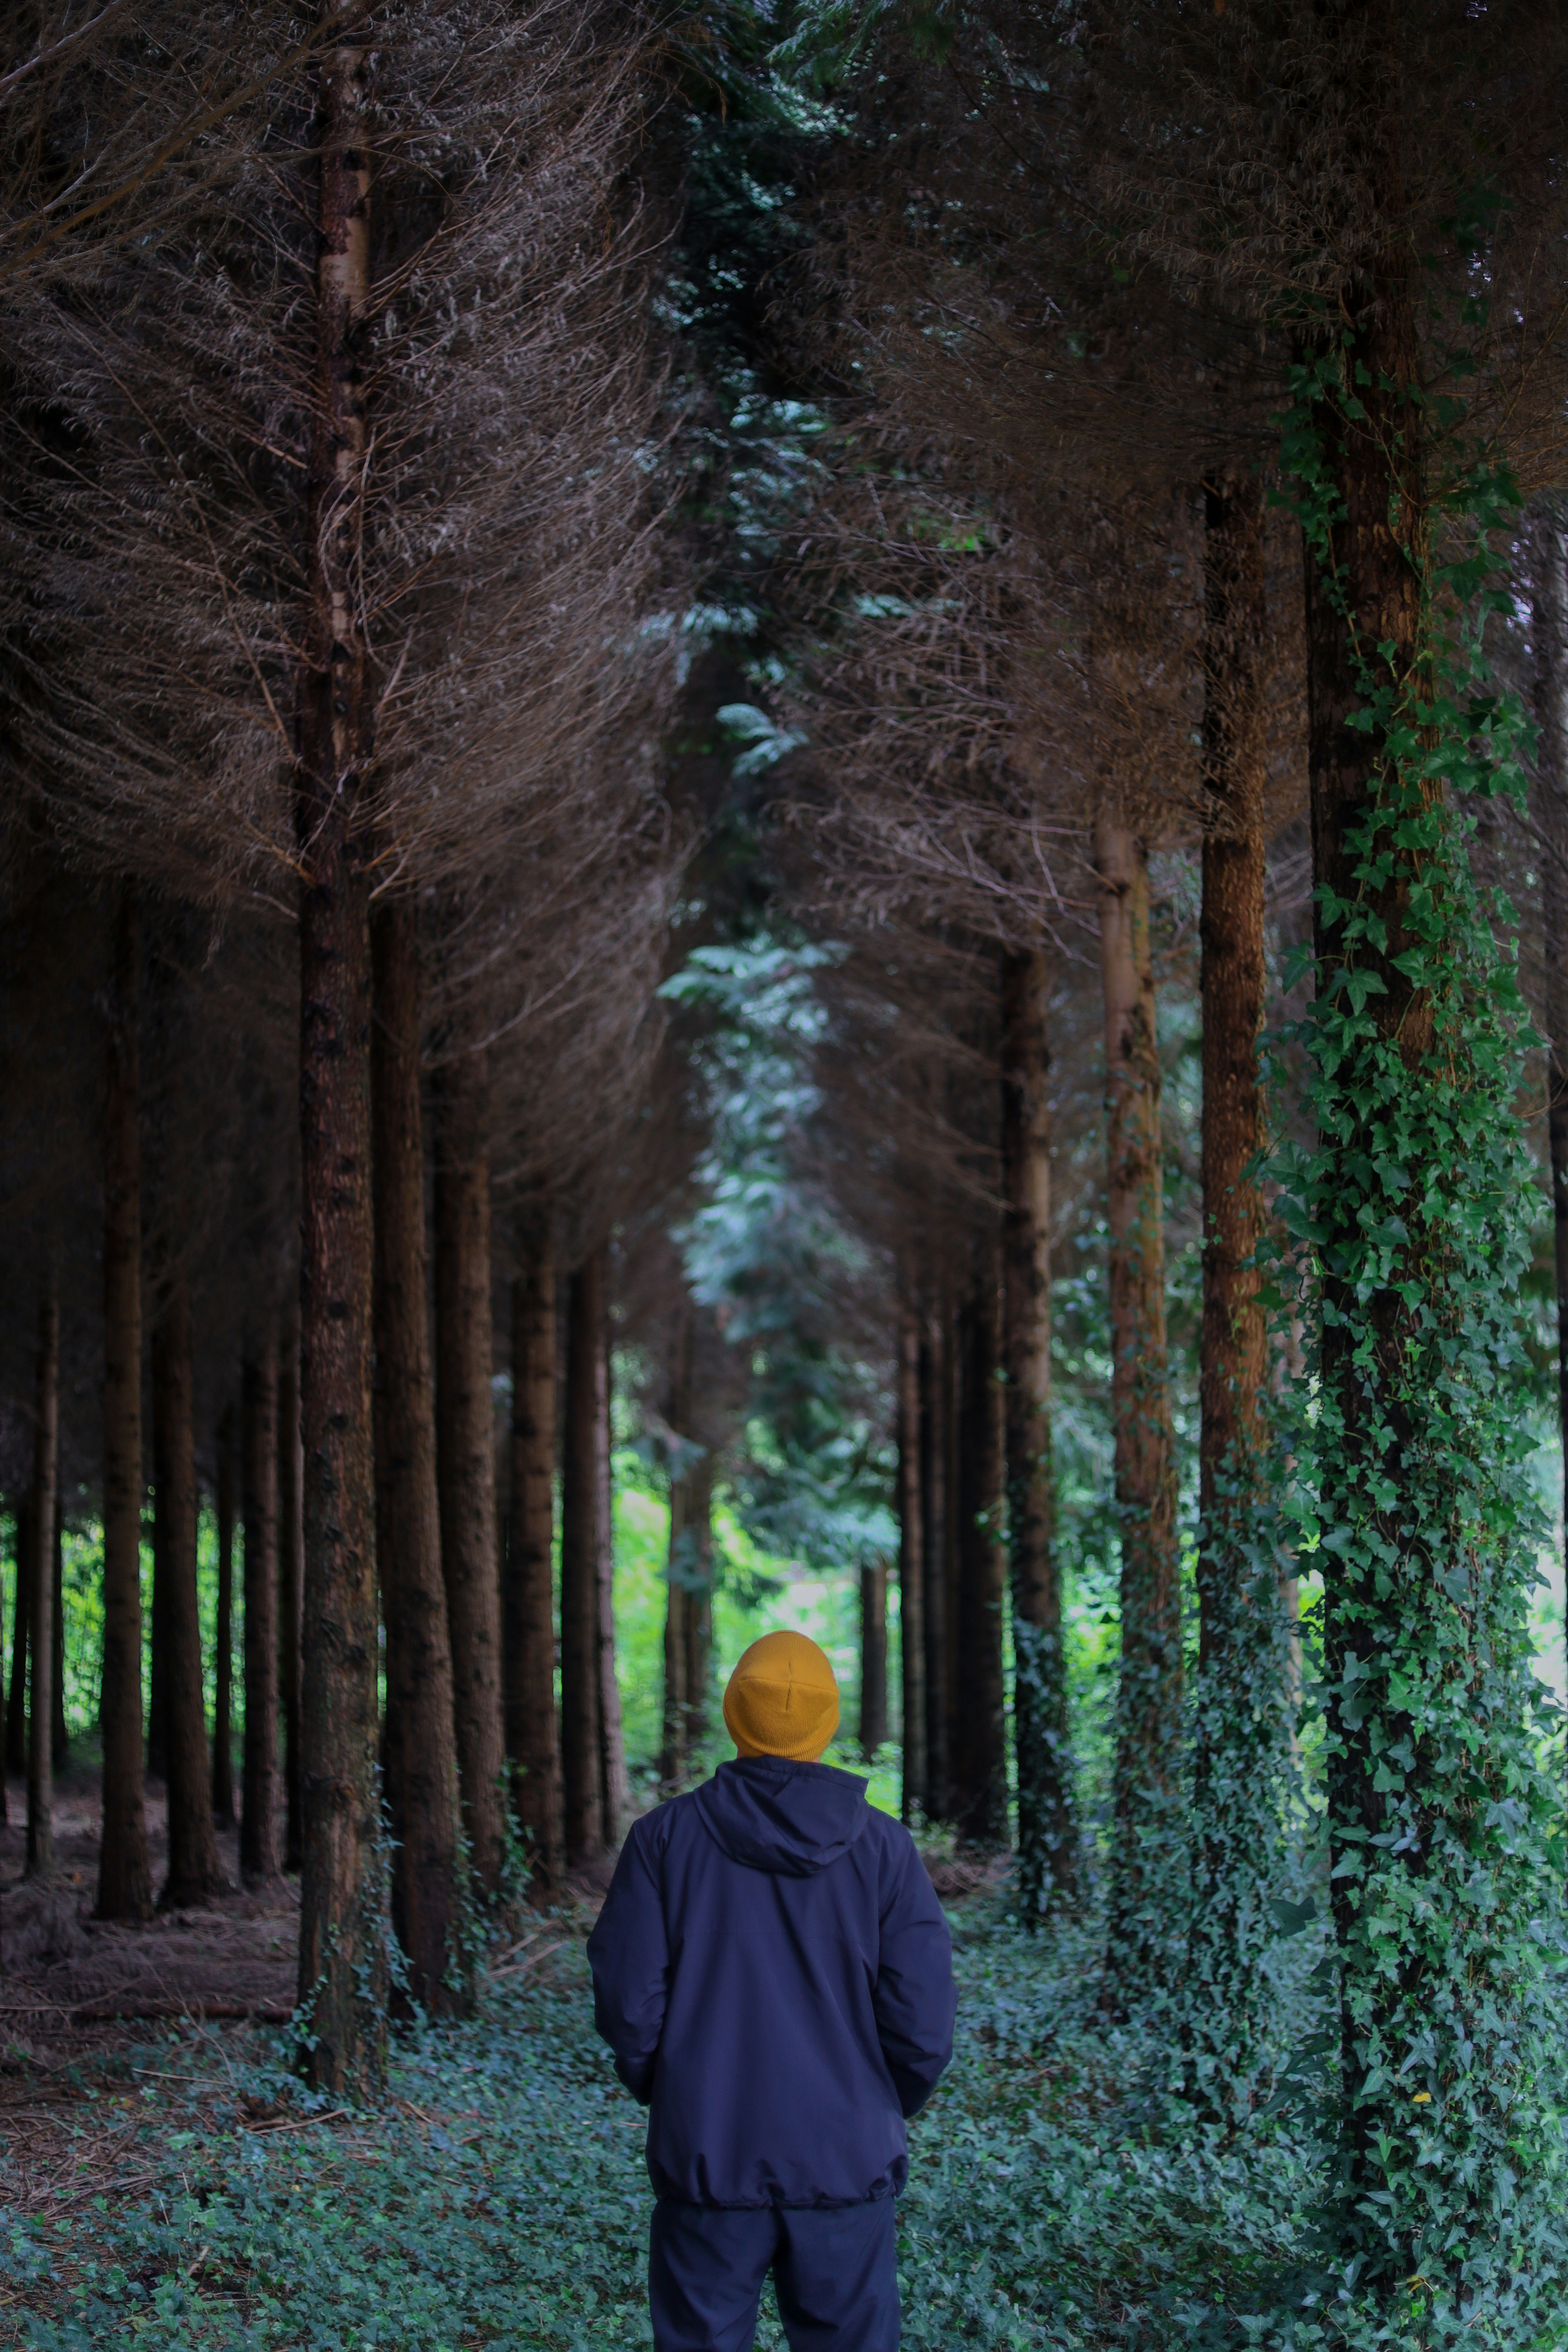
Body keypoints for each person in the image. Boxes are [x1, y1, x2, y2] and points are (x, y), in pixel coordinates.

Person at [586, 1628, 956, 2352]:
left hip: (708, 2156)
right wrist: (879, 2104)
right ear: (829, 1722)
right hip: (846, 2160)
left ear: (734, 1715)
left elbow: (628, 2006)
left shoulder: (664, 1838)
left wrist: (674, 2091)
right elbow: (922, 2026)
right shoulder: (885, 1849)